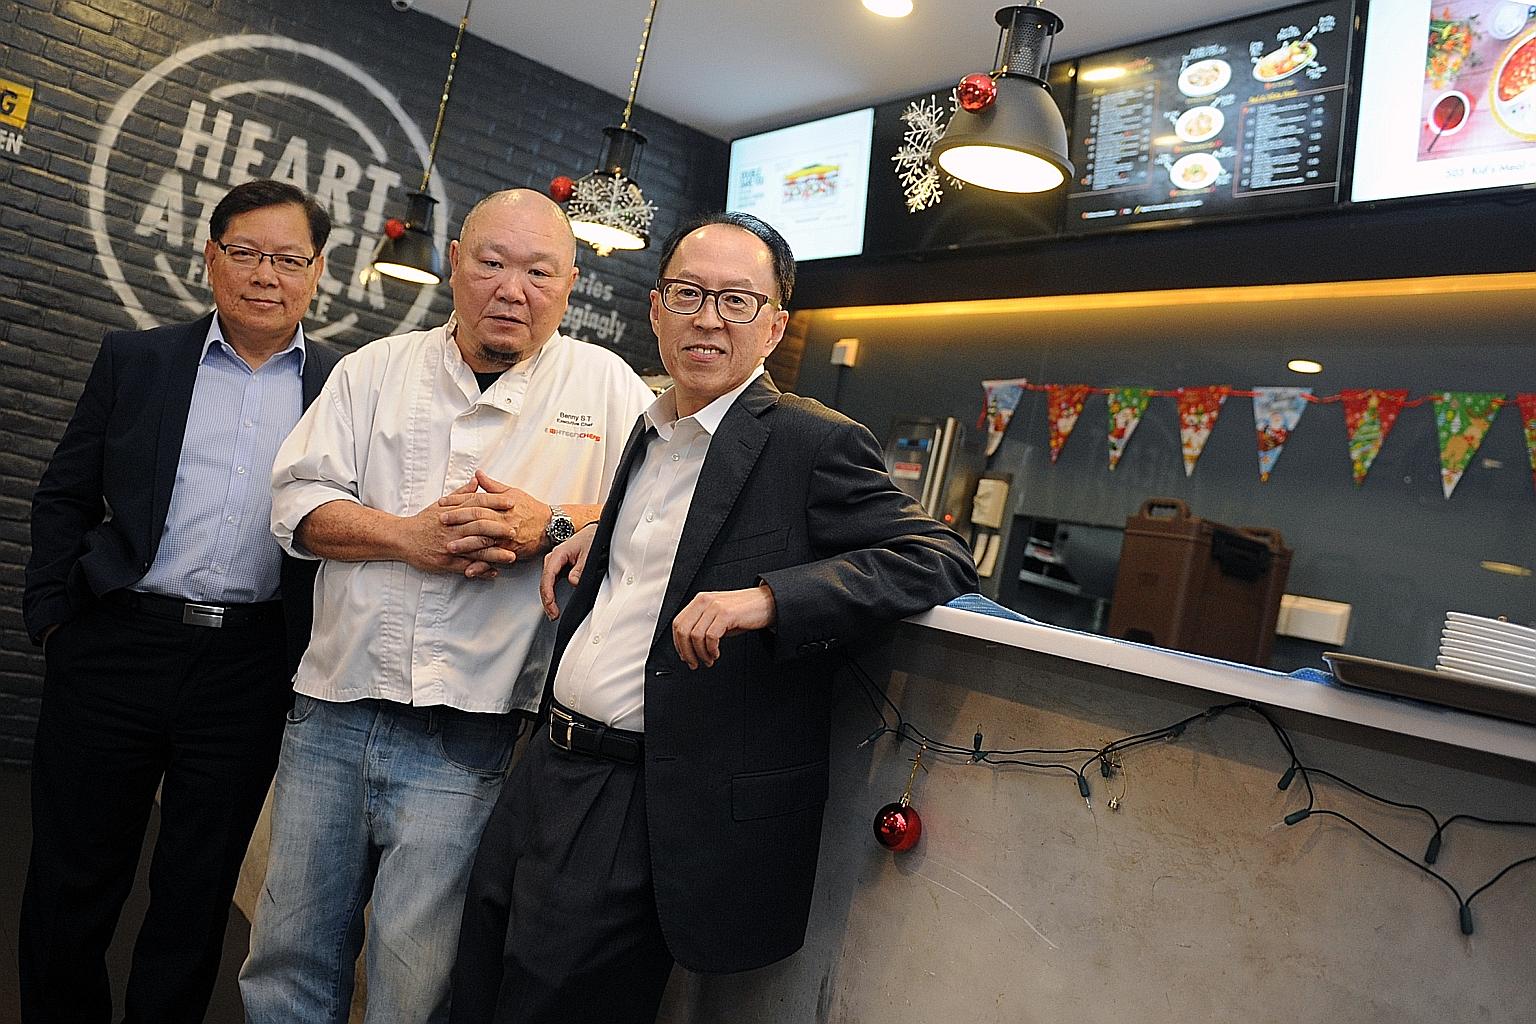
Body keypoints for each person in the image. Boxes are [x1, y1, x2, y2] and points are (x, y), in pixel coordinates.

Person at [451, 211, 978, 1024]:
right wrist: (600, 532)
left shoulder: (812, 441)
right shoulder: (655, 427)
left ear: (775, 325)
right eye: (689, 293)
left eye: (737, 301)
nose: (707, 317)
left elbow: (936, 555)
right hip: (545, 767)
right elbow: (673, 548)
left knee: (546, 1008)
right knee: (476, 985)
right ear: (656, 308)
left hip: (643, 799)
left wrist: (770, 597)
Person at [240, 187, 654, 1024]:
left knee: (415, 978)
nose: (513, 288)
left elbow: (665, 516)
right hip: (333, 711)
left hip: (473, 734)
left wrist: (560, 521)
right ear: (456, 261)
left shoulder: (607, 388)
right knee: (286, 958)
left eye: (539, 271)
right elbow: (294, 507)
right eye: (493, 263)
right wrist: (406, 538)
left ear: (570, 284)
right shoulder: (374, 370)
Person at [19, 179, 340, 1024]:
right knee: (72, 875)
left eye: (288, 258)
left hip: (248, 667)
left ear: (317, 272)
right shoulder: (139, 360)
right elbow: (63, 496)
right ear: (210, 259)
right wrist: (54, 617)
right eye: (245, 253)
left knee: (197, 892)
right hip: (116, 646)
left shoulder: (347, 388)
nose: (265, 275)